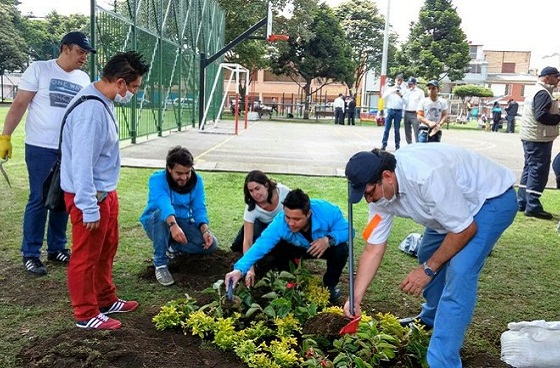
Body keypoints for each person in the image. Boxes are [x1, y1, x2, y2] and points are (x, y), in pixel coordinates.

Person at [344, 145, 517, 368]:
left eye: (369, 194)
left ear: (386, 177)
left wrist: (428, 269)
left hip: (490, 200)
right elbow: (373, 248)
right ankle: (431, 318)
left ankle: (442, 361)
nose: (369, 201)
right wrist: (355, 297)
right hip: (449, 212)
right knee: (427, 251)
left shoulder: (426, 176)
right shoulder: (381, 194)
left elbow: (465, 230)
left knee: (460, 271)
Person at [60, 51, 150, 330]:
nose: (134, 93)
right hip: (89, 196)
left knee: (107, 248)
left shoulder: (104, 101)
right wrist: (87, 206)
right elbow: (81, 163)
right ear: (121, 83)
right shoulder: (91, 111)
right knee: (86, 256)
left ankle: (105, 298)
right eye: (134, 87)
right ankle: (86, 313)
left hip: (105, 192)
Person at [0, 32, 94, 276]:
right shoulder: (40, 69)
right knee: (39, 198)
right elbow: (19, 104)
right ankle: (31, 253)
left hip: (69, 148)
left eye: (86, 53)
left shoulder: (84, 78)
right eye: (80, 51)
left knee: (63, 198)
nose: (84, 57)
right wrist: (5, 136)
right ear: (65, 49)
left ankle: (57, 247)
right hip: (40, 147)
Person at [225, 189, 350, 303]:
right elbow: (260, 245)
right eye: (287, 217)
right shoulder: (280, 222)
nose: (291, 223)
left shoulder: (328, 211)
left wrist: (328, 240)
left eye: (296, 219)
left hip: (321, 247)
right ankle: (289, 279)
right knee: (274, 248)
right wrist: (240, 269)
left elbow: (348, 231)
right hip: (295, 248)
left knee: (342, 249)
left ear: (308, 214)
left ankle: (330, 286)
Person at [140, 146, 218, 286]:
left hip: (182, 223)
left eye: (187, 172)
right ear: (169, 169)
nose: (184, 177)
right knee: (160, 215)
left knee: (211, 244)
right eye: (179, 173)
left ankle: (173, 247)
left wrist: (204, 230)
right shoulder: (157, 179)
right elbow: (164, 204)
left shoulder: (197, 181)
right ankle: (160, 263)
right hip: (158, 223)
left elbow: (199, 208)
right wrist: (173, 225)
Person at [230, 170, 290, 286]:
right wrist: (249, 269)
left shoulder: (284, 193)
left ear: (266, 185)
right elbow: (247, 241)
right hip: (260, 225)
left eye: (257, 188)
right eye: (251, 191)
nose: (254, 194)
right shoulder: (251, 206)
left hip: (280, 226)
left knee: (278, 250)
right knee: (238, 246)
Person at [518, 66, 560, 220]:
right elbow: (541, 115)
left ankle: (522, 201)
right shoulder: (543, 93)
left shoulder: (534, 90)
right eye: (556, 77)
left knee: (529, 168)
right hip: (538, 137)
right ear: (548, 78)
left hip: (530, 135)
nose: (558, 81)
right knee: (538, 170)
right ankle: (533, 205)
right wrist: (558, 117)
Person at [381, 74, 405, 150]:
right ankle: (384, 144)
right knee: (386, 129)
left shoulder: (404, 90)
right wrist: (392, 91)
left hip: (398, 111)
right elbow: (383, 97)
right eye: (398, 80)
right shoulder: (390, 89)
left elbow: (406, 101)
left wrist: (401, 95)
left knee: (397, 130)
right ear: (395, 80)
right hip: (390, 110)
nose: (399, 82)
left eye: (400, 80)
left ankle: (397, 146)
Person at [402, 77, 425, 144]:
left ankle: (418, 144)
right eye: (408, 84)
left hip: (415, 113)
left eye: (411, 84)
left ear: (415, 84)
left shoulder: (420, 92)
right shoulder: (406, 91)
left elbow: (422, 103)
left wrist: (421, 114)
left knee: (417, 130)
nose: (409, 85)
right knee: (407, 131)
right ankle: (409, 144)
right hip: (407, 112)